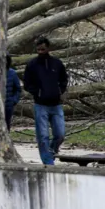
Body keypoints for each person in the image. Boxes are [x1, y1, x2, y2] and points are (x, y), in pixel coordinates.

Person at [24, 37, 68, 165]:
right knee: (43, 136)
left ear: (48, 48)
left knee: (60, 134)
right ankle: (48, 161)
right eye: (38, 49)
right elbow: (27, 83)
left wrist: (60, 91)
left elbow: (64, 79)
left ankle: (52, 150)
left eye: (43, 49)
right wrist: (37, 92)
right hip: (40, 104)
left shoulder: (57, 63)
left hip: (56, 104)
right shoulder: (32, 65)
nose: (40, 52)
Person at [4, 54, 22, 130]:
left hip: (8, 105)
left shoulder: (12, 73)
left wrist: (14, 100)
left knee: (6, 125)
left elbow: (18, 89)